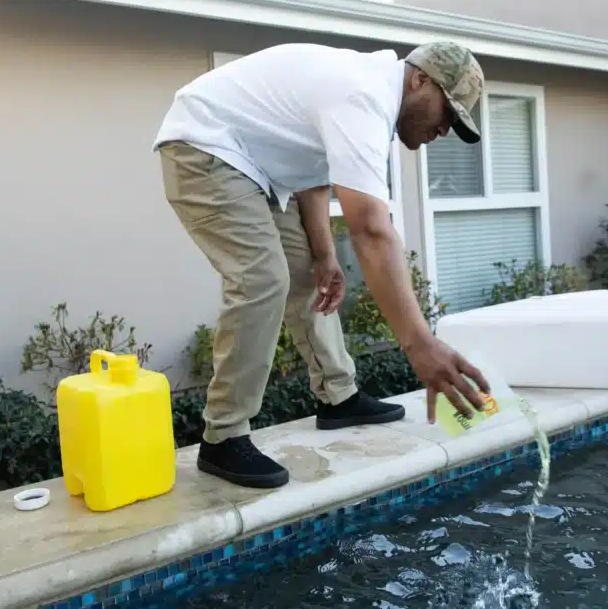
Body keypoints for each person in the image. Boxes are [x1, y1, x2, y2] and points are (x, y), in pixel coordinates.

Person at [153, 41, 491, 489]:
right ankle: (223, 436)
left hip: (257, 169)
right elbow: (372, 230)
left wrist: (325, 255)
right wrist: (420, 346)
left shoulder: (366, 101)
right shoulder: (363, 96)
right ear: (420, 79)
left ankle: (338, 397)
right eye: (447, 113)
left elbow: (313, 175)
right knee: (262, 278)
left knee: (304, 272)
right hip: (203, 146)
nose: (444, 129)